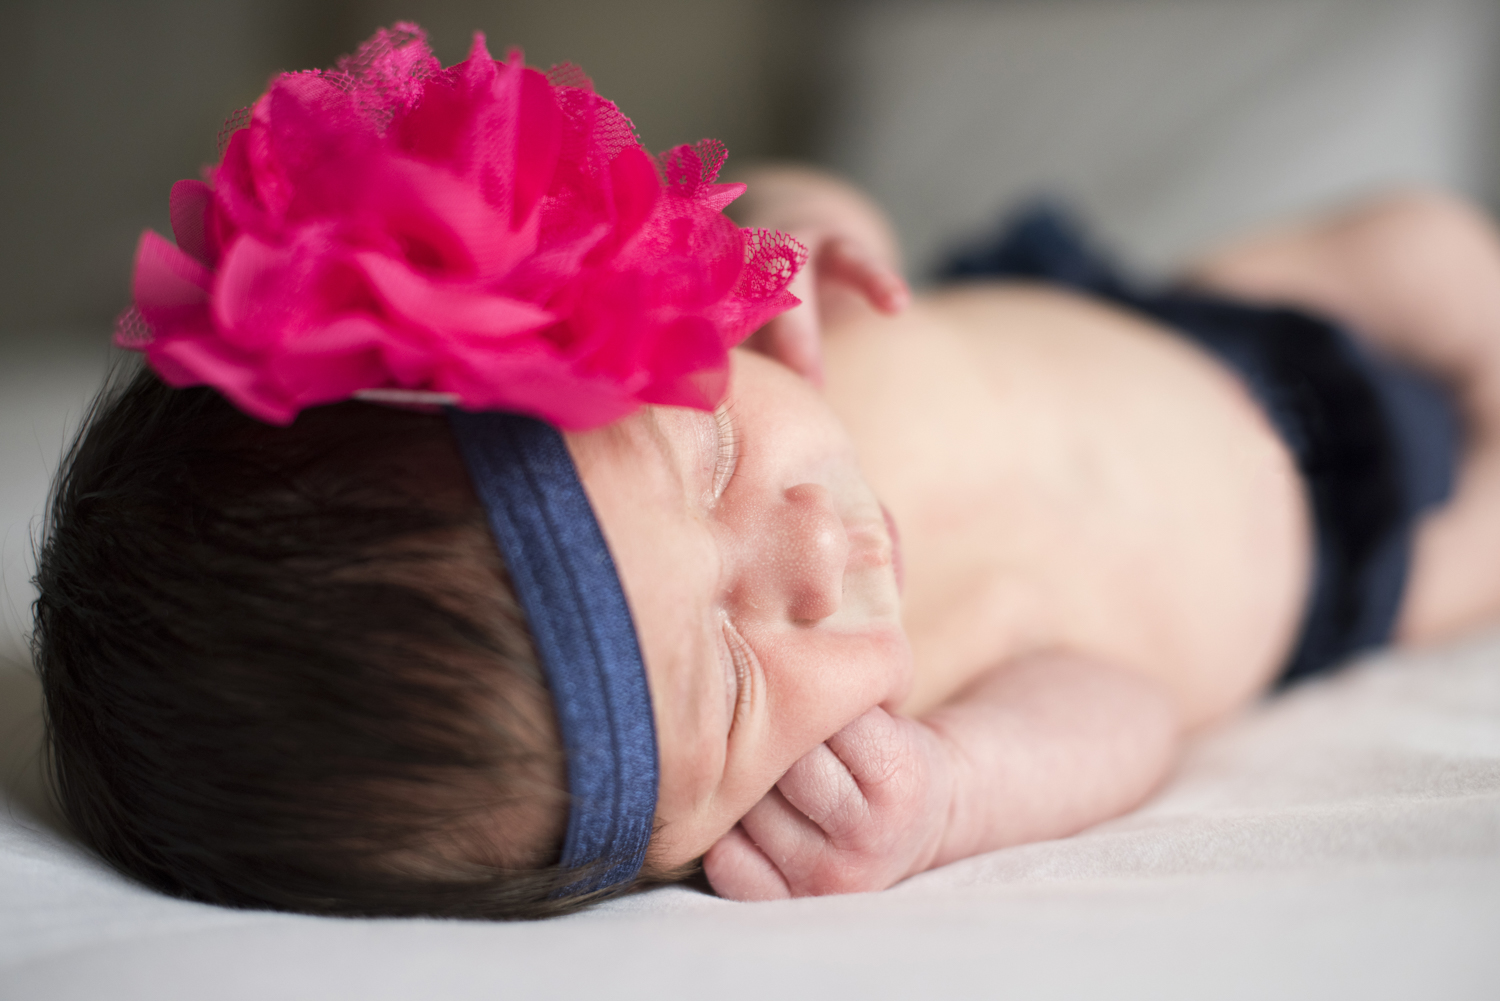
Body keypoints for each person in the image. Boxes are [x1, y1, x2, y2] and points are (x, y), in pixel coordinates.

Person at [32, 24, 1500, 918]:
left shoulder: (783, 338)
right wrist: (957, 790)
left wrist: (800, 215)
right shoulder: (892, 714)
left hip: (1190, 326)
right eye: (732, 677)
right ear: (686, 831)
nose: (809, 553)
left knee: (1429, 243)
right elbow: (1127, 704)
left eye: (714, 447)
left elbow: (801, 225)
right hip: (1338, 554)